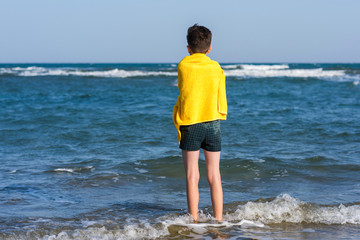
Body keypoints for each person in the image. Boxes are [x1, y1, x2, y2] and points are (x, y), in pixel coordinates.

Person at [173, 24, 227, 222]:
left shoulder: (183, 65)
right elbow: (219, 91)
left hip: (191, 122)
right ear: (209, 49)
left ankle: (193, 220)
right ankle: (219, 220)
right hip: (213, 123)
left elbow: (184, 91)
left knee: (191, 176)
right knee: (214, 175)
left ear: (188, 47)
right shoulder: (216, 67)